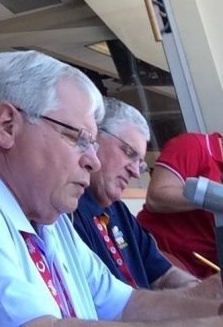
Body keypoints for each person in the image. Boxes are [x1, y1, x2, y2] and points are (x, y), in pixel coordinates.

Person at [0, 50, 223, 326]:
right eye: (76, 138)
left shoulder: (46, 215)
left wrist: (214, 298)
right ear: (7, 125)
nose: (93, 161)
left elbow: (123, 305)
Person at [73, 98, 220, 295]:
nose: (135, 172)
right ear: (94, 136)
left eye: (140, 163)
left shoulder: (119, 211)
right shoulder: (67, 209)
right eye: (128, 152)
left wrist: (202, 294)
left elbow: (164, 274)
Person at [137, 131, 223, 279]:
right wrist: (212, 197)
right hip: (156, 254)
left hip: (205, 273)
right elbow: (156, 197)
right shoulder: (195, 145)